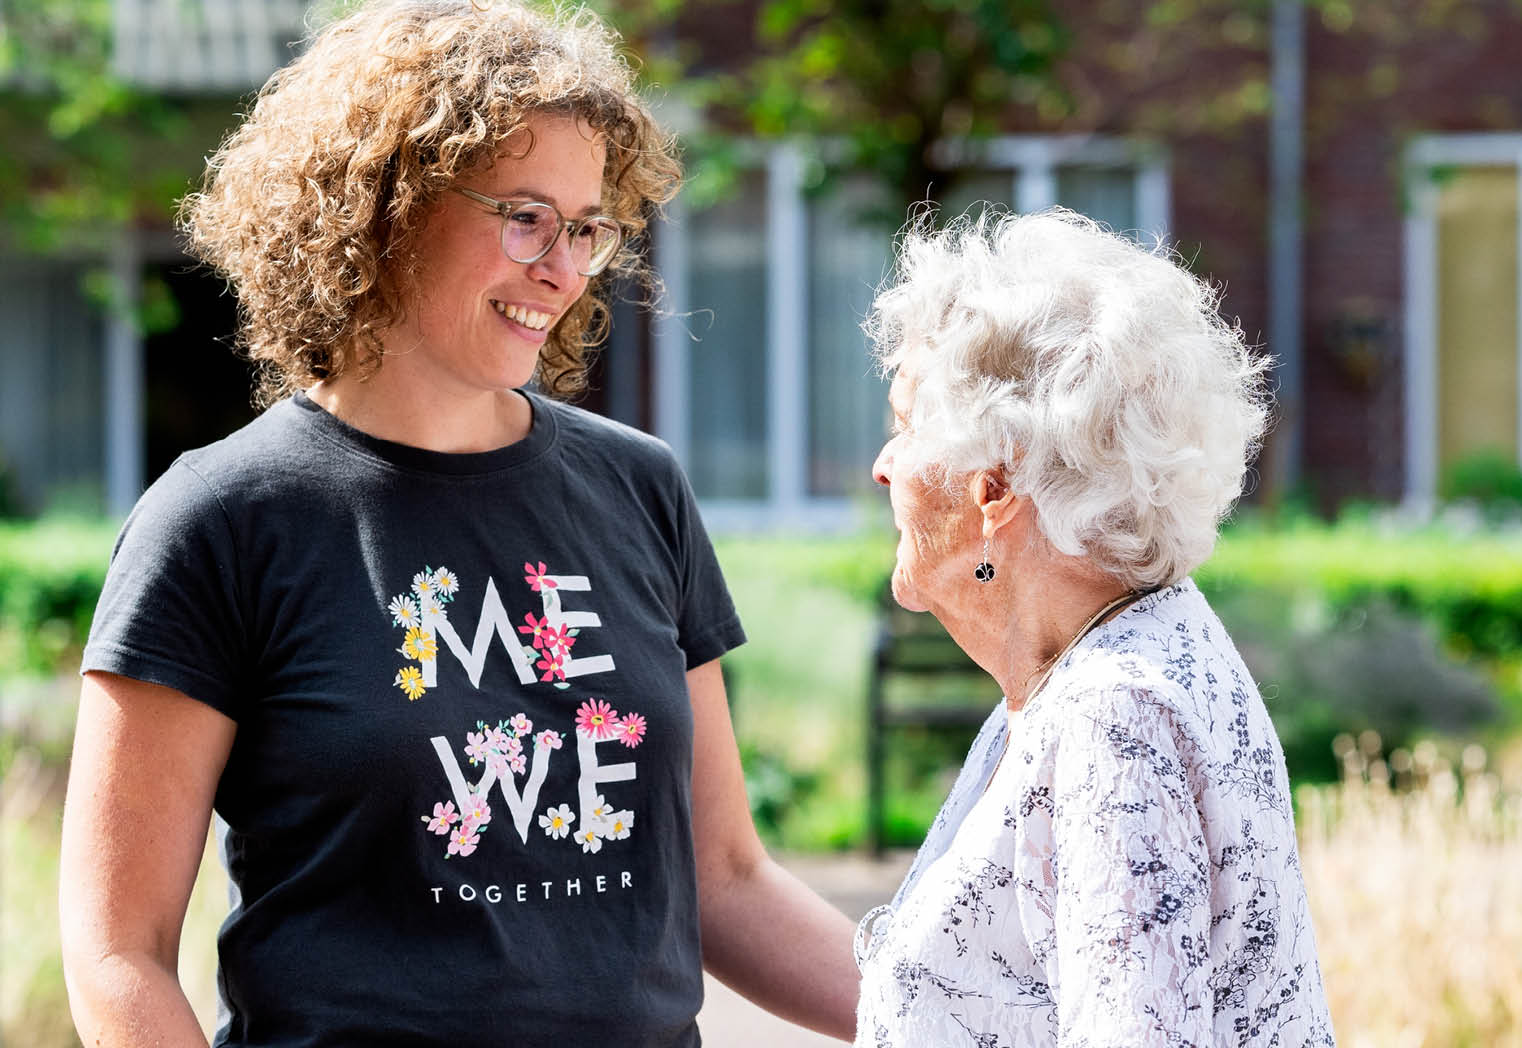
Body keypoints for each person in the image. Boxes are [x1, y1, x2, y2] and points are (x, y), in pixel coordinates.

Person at [57, 2, 859, 1044]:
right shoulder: (220, 523)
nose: (564, 270)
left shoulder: (639, 488)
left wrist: (966, 1022)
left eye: (585, 227)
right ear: (385, 206)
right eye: (524, 216)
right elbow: (117, 954)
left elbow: (728, 877)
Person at [853, 208, 1336, 1046]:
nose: (882, 465)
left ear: (994, 486)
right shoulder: (1129, 652)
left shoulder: (1112, 714)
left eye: (905, 427)